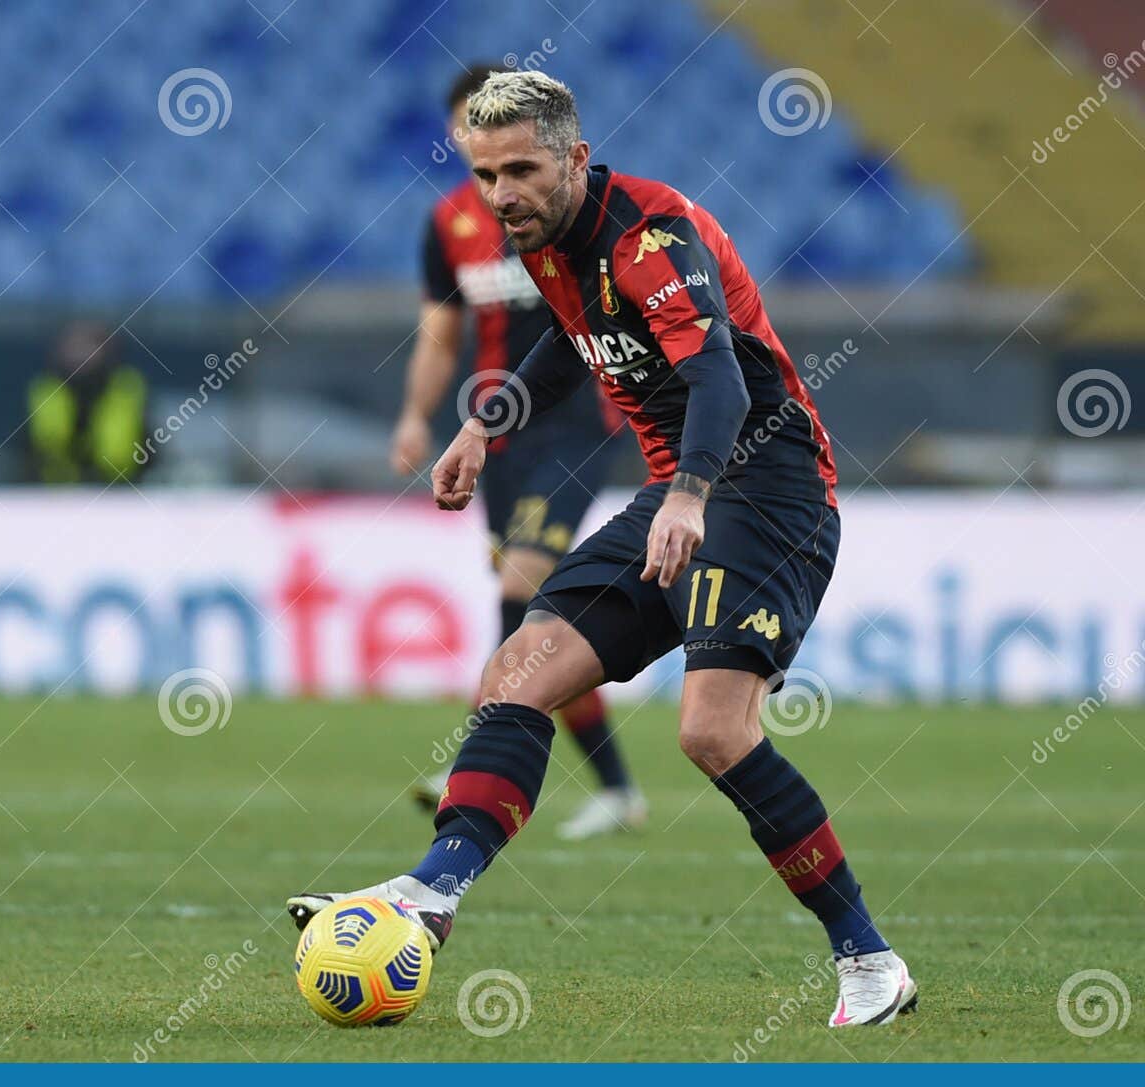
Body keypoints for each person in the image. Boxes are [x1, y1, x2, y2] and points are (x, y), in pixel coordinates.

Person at [288, 71, 915, 1027]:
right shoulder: (547, 241)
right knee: (519, 669)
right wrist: (479, 428)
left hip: (767, 487)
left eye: (523, 170)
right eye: (487, 174)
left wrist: (691, 495)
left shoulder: (649, 238)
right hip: (683, 492)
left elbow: (716, 375)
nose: (503, 195)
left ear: (576, 158)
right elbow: (561, 344)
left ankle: (868, 956)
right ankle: (430, 891)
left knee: (711, 730)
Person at [396, 64, 645, 840]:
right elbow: (441, 332)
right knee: (538, 614)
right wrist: (415, 415)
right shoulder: (449, 226)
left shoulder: (563, 212)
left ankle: (480, 748)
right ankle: (618, 788)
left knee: (524, 579)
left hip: (575, 423)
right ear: (457, 135)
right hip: (494, 431)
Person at [23, 321, 148, 484]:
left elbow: (142, 449)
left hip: (119, 494)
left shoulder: (127, 389)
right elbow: (32, 450)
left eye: (89, 345)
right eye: (74, 347)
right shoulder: (46, 391)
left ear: (107, 351)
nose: (80, 354)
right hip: (52, 495)